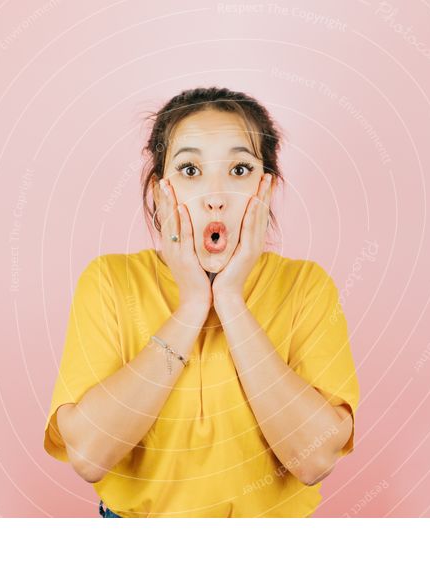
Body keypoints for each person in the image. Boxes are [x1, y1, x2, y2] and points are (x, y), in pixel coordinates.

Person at [43, 86, 360, 517]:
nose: (215, 195)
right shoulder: (110, 282)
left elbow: (315, 460)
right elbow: (89, 455)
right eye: (190, 169)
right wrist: (193, 304)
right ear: (160, 192)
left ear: (266, 187)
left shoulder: (305, 286)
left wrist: (229, 298)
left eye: (240, 169)